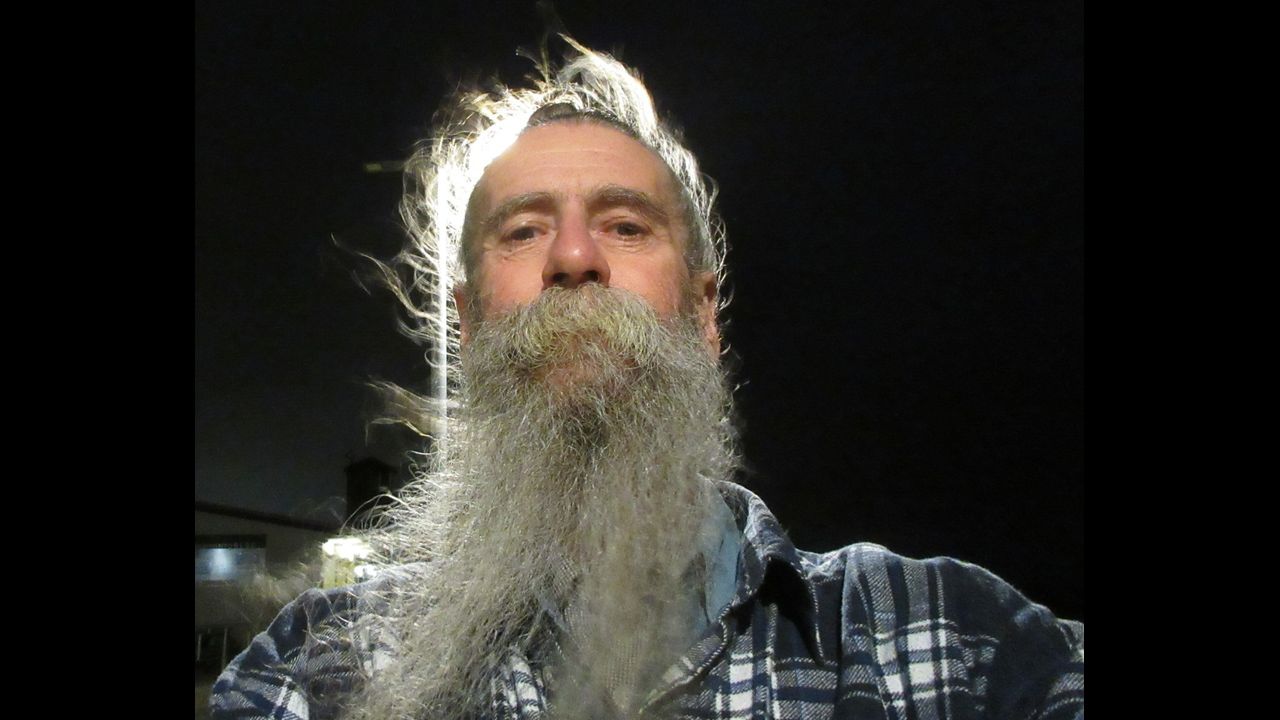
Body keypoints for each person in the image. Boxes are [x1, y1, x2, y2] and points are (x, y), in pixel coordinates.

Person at [211, 38, 1083, 720]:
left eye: (626, 226)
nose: (574, 257)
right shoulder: (325, 667)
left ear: (704, 317)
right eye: (523, 231)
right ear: (469, 330)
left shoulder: (951, 639)